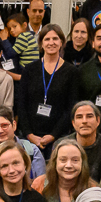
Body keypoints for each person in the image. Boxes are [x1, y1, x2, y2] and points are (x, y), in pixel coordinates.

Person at [16, 25, 73, 154]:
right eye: (47, 39)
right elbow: (21, 104)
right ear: (41, 43)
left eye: (55, 39)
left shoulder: (72, 72)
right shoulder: (29, 70)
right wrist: (29, 134)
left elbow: (70, 108)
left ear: (62, 42)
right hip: (29, 137)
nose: (51, 43)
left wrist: (53, 135)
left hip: (59, 138)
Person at [0, 106, 47, 183]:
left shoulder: (31, 150)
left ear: (14, 125)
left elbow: (40, 184)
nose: (0, 131)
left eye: (4, 126)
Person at [43, 136, 92, 202]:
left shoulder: (92, 192)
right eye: (63, 160)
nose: (69, 165)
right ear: (55, 162)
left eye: (75, 160)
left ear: (82, 163)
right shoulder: (41, 186)